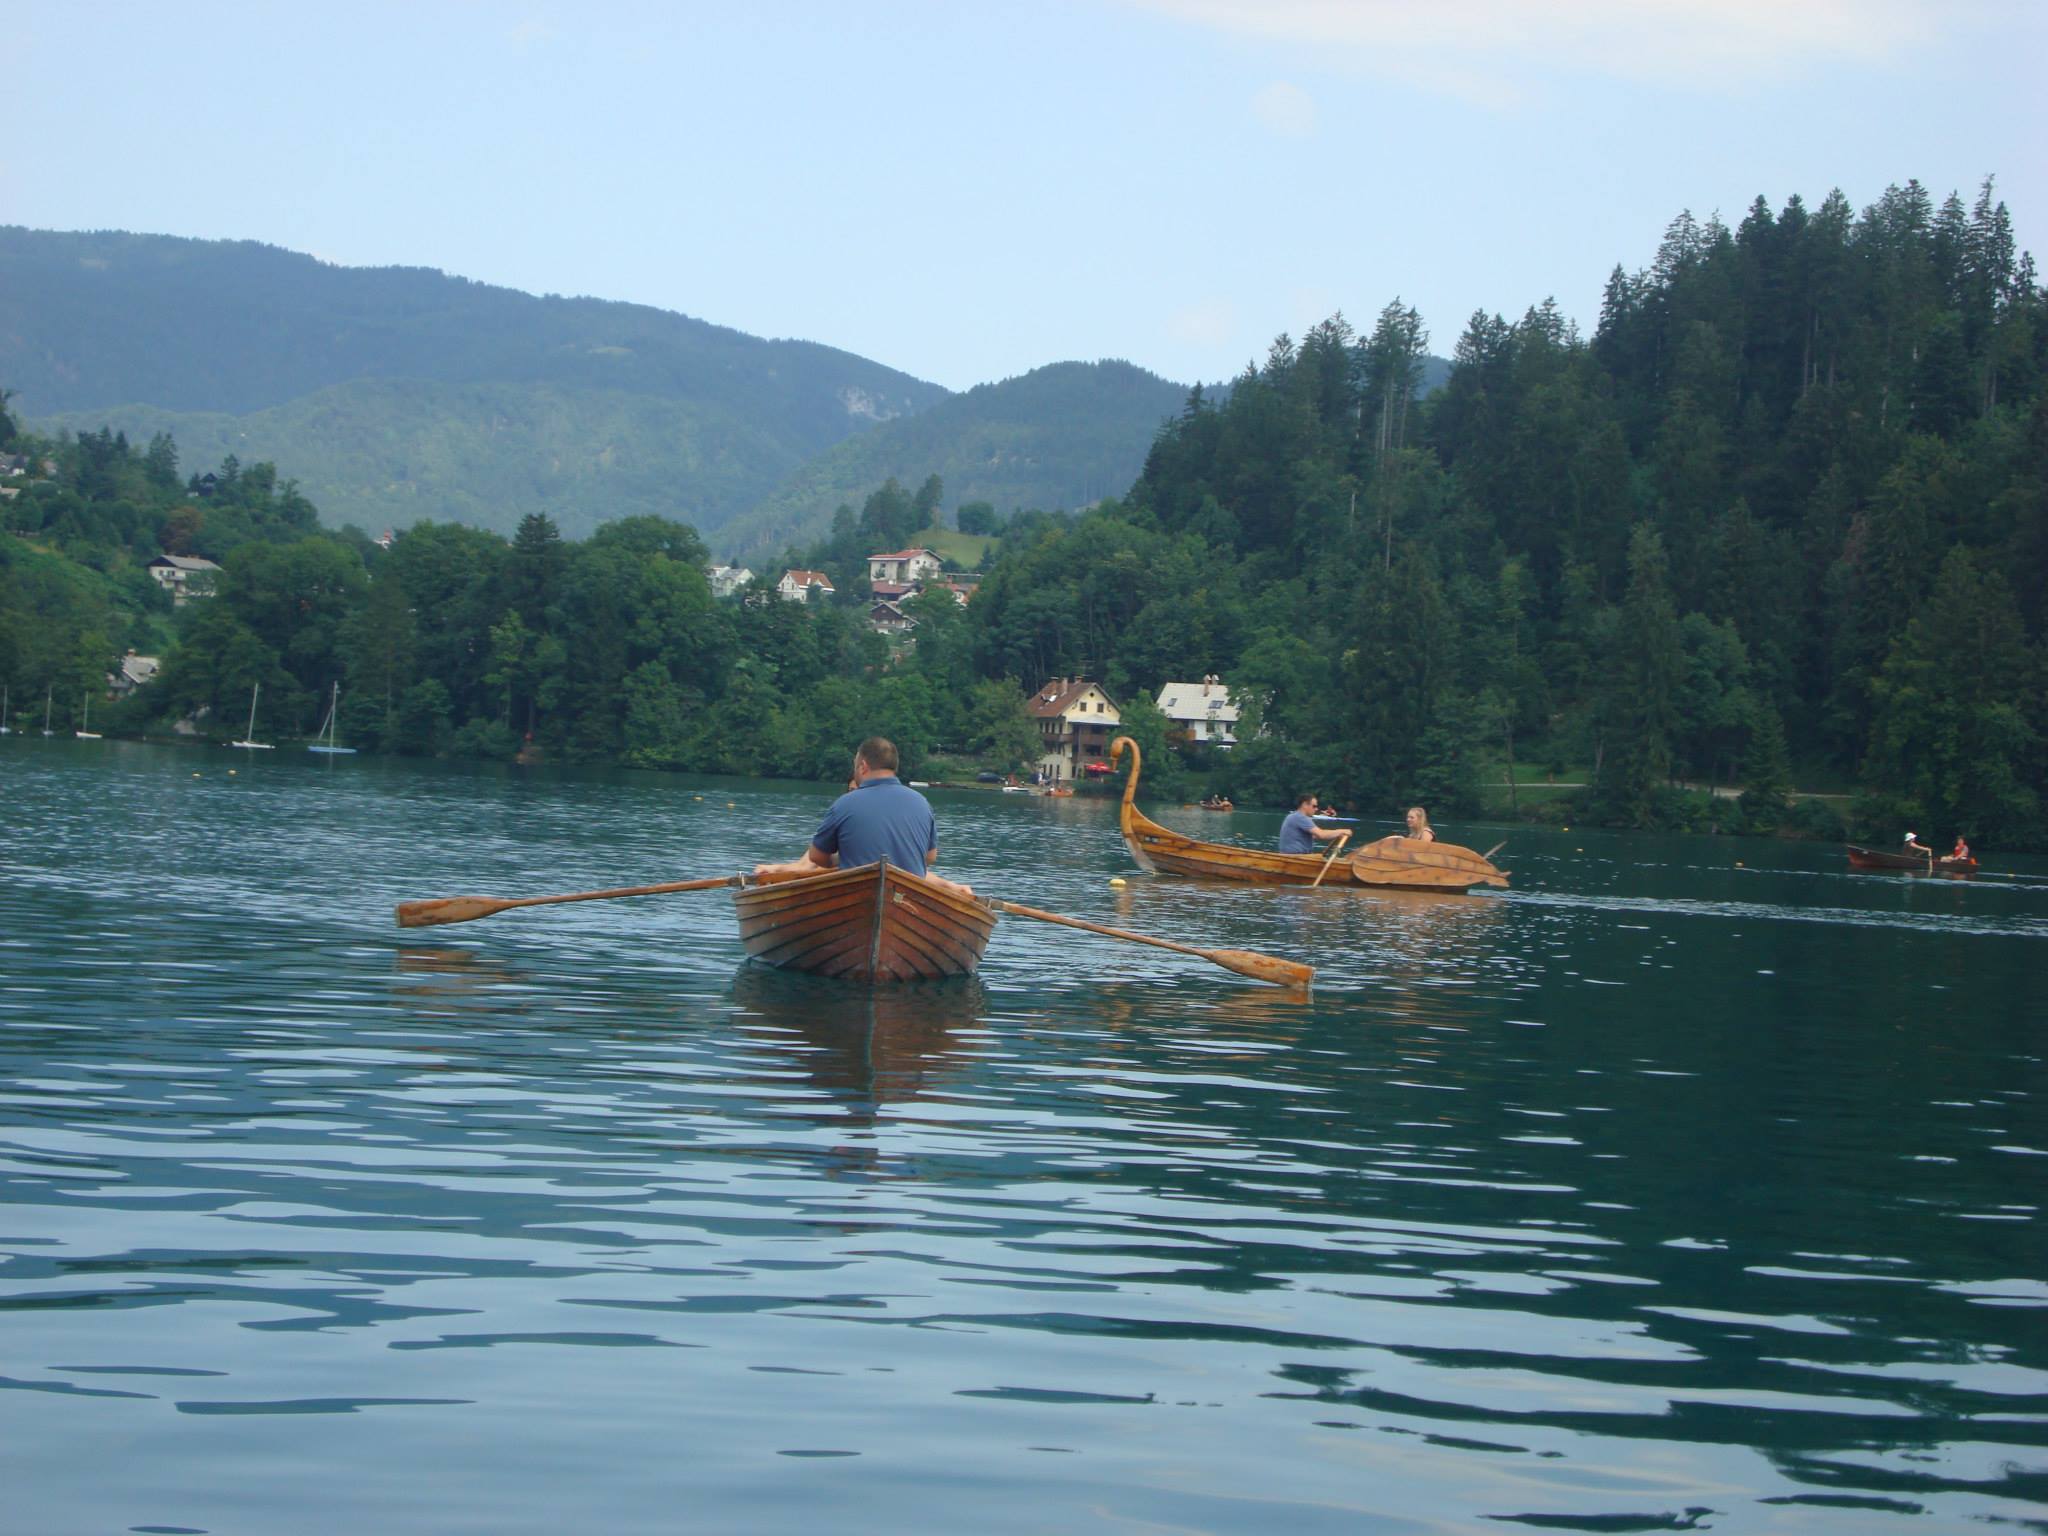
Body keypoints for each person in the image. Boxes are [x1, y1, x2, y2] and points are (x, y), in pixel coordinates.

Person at [755, 736, 971, 896]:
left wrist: (845, 856)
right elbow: (929, 857)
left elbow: (816, 858)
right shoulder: (921, 803)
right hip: (907, 897)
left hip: (853, 894)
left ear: (863, 766)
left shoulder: (845, 803)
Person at [1279, 794, 1348, 854]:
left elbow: (1315, 836)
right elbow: (1321, 834)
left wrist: (1337, 834)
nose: (1316, 809)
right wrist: (1343, 831)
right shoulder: (1300, 817)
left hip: (1293, 856)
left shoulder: (1294, 816)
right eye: (1314, 806)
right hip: (1296, 857)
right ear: (1305, 805)